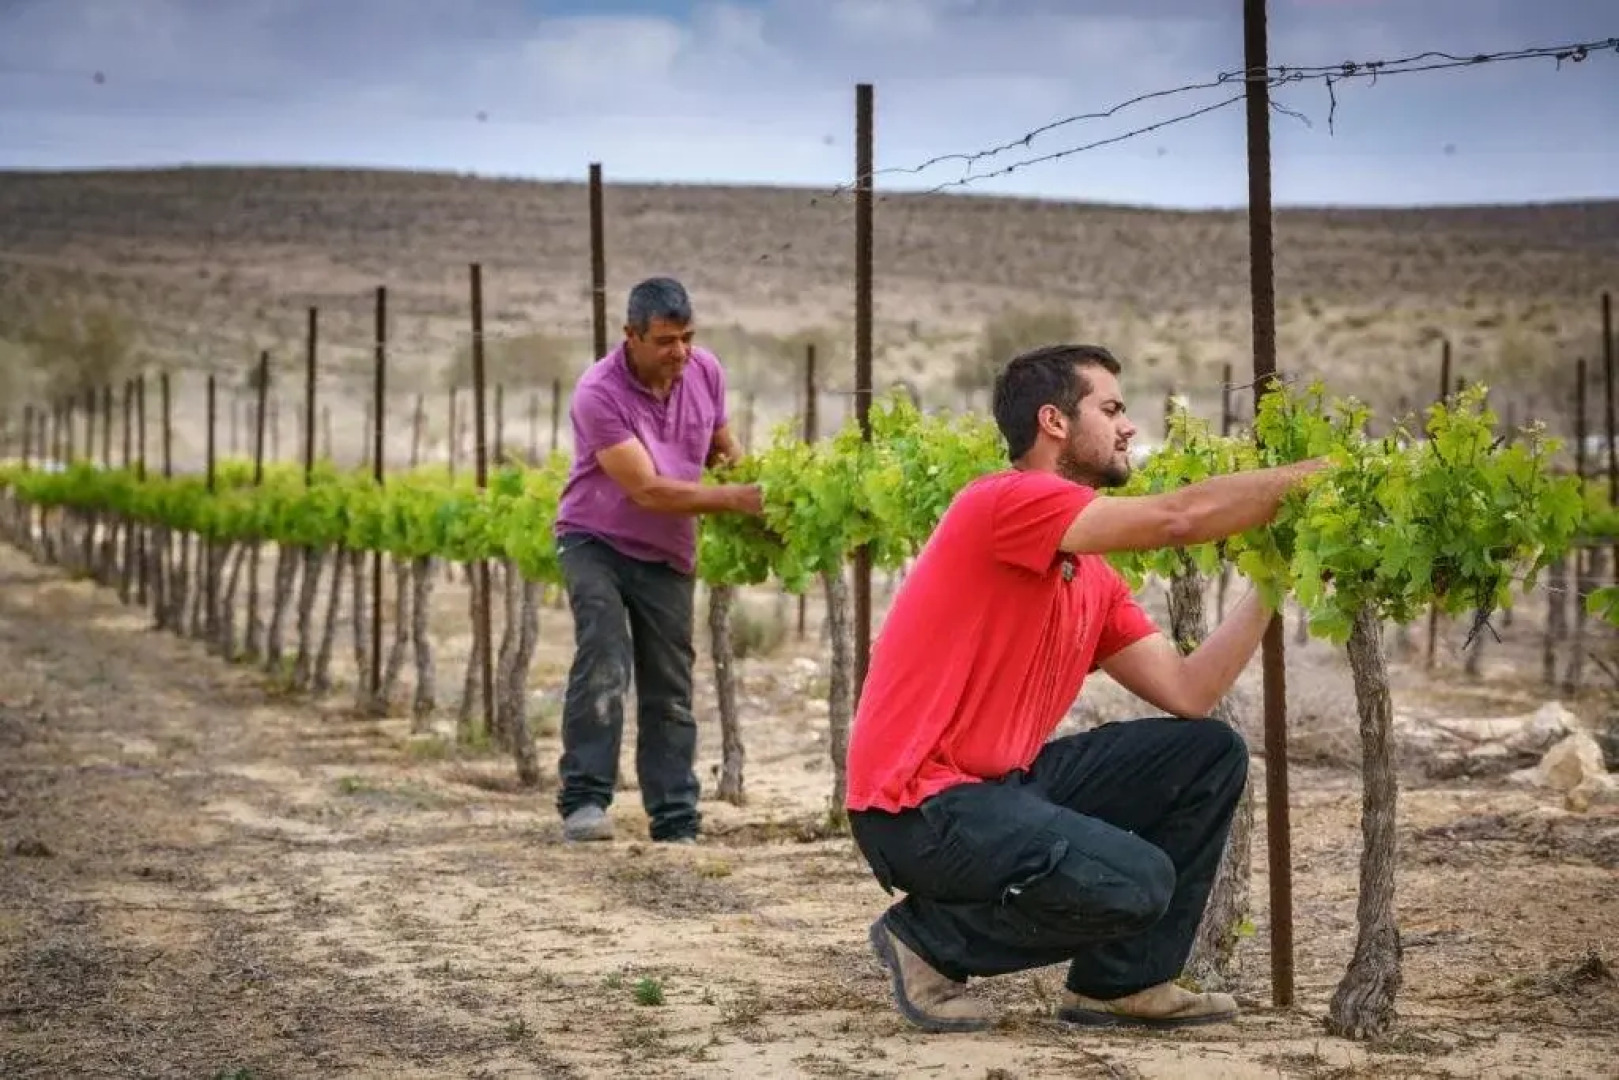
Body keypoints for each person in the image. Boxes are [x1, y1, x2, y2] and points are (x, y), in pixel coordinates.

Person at [845, 343, 1323, 1032]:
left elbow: (1188, 690)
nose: (1128, 426)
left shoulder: (1089, 573)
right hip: (915, 810)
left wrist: (1272, 579)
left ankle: (1121, 983)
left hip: (997, 791)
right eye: (1111, 408)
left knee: (1207, 753)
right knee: (1138, 881)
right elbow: (1177, 519)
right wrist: (1312, 478)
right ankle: (929, 944)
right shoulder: (1005, 502)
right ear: (1054, 422)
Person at [552, 276, 762, 844]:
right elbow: (644, 490)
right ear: (632, 336)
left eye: (687, 337)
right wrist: (739, 500)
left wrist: (768, 501)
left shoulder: (705, 372)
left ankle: (674, 819)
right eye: (667, 340)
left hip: (668, 551)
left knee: (669, 684)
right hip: (594, 539)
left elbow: (724, 452)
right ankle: (585, 803)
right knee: (604, 652)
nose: (681, 352)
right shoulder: (598, 392)